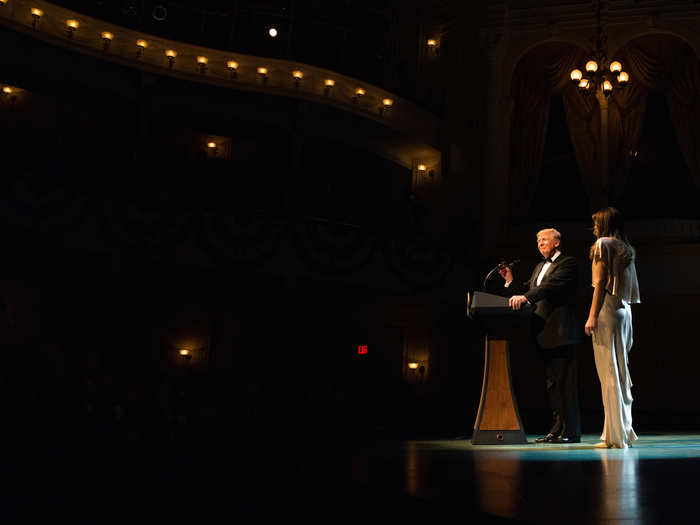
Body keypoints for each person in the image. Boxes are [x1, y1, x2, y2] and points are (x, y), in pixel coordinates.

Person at [499, 228, 581, 443]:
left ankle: (570, 432)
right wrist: (510, 281)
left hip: (561, 330)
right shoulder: (538, 266)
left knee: (565, 383)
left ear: (556, 242)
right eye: (537, 240)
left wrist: (525, 297)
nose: (540, 243)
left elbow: (547, 288)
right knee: (552, 383)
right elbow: (528, 290)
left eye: (544, 239)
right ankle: (556, 429)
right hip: (543, 331)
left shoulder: (567, 263)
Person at [584, 208, 640, 449]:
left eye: (597, 223)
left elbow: (600, 284)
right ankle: (621, 432)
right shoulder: (626, 247)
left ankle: (614, 436)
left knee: (608, 372)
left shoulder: (602, 244)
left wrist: (591, 315)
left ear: (605, 224)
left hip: (607, 309)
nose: (594, 228)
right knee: (620, 370)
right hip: (624, 311)